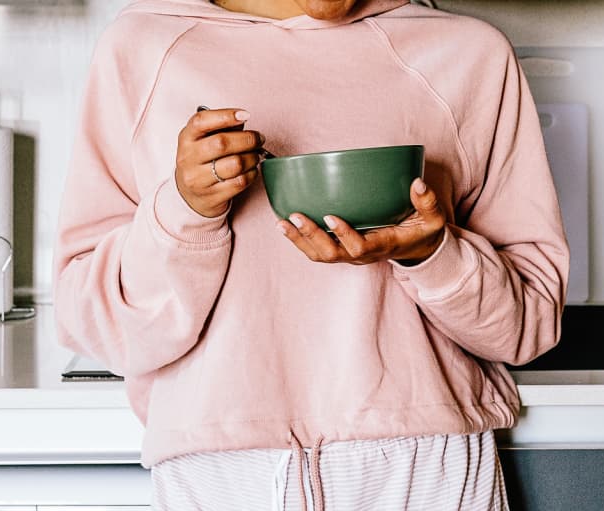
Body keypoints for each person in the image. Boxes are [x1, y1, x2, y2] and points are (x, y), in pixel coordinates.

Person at [53, 0, 569, 508]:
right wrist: (186, 210)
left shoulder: (471, 55)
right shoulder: (143, 48)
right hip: (218, 475)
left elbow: (528, 324)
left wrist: (433, 252)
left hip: (427, 468)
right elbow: (92, 323)